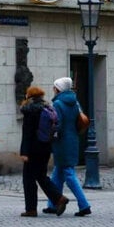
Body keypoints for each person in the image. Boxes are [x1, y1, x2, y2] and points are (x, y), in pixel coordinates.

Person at [18, 86, 69, 217]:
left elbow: (27, 133)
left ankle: (31, 209)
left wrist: (24, 152)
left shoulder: (30, 110)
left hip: (33, 149)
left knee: (28, 178)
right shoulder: (47, 108)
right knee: (41, 176)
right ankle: (59, 198)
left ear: (29, 96)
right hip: (45, 147)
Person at [46, 77, 91, 216]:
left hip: (62, 142)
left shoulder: (58, 103)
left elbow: (56, 124)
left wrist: (49, 136)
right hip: (73, 140)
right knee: (57, 173)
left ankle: (84, 205)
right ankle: (53, 203)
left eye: (54, 87)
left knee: (69, 174)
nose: (53, 89)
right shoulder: (75, 102)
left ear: (58, 88)